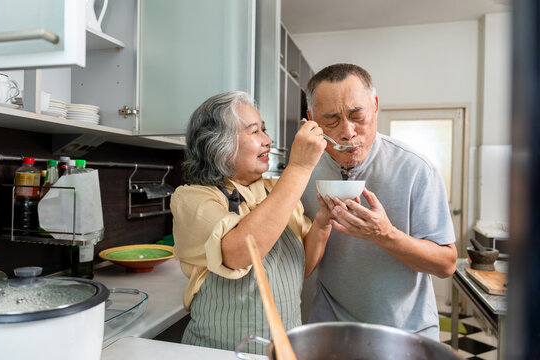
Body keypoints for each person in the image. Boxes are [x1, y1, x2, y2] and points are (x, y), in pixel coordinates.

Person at [300, 63, 458, 341]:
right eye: (332, 120)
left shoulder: (416, 169)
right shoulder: (302, 170)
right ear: (312, 118)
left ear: (374, 106)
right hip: (330, 330)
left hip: (406, 332)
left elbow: (446, 265)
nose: (348, 132)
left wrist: (385, 235)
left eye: (356, 115)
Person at [170, 91, 333, 354]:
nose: (267, 140)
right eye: (255, 131)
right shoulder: (193, 198)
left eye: (264, 130)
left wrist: (324, 222)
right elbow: (238, 253)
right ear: (219, 147)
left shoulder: (275, 190)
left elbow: (301, 266)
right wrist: (300, 167)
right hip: (218, 353)